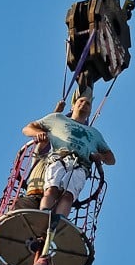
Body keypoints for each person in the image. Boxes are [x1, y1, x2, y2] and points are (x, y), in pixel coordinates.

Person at [20, 89, 115, 217]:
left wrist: (101, 157)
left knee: (68, 195)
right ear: (73, 105)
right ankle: (44, 215)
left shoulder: (94, 133)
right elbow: (27, 128)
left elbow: (111, 159)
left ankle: (58, 221)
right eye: (81, 101)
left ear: (90, 111)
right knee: (51, 189)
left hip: (80, 166)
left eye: (88, 104)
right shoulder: (57, 118)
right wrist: (39, 134)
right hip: (58, 159)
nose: (84, 104)